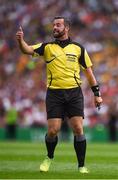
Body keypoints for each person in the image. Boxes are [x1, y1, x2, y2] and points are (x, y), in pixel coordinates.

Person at [16, 16, 103, 173]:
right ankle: (49, 157)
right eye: (53, 25)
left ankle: (81, 166)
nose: (54, 27)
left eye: (58, 25)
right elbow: (26, 50)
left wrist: (96, 93)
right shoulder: (47, 47)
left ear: (66, 28)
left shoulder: (79, 48)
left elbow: (89, 73)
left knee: (78, 128)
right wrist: (20, 40)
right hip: (54, 93)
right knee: (53, 130)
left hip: (74, 92)